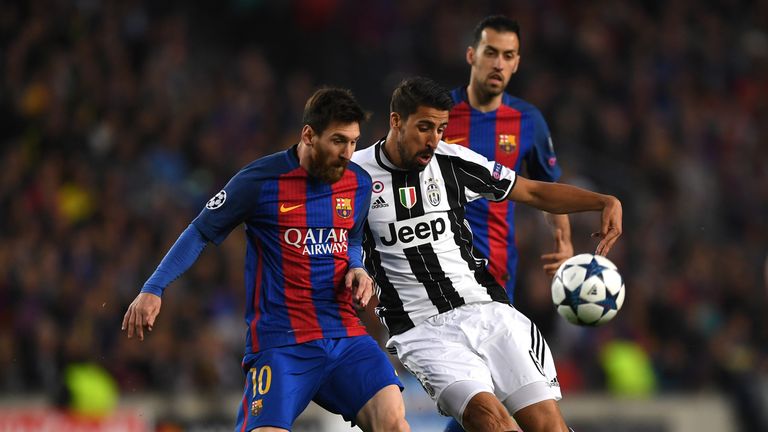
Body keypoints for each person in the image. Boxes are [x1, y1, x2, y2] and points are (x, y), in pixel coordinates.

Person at [122, 88, 410, 432]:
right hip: (282, 345)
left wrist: (358, 267)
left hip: (345, 336)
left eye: (353, 142)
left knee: (394, 423)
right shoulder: (260, 181)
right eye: (338, 141)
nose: (348, 153)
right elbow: (200, 231)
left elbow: (351, 238)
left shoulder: (358, 184)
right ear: (308, 135)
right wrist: (154, 287)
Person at [352, 77, 622, 432]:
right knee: (490, 421)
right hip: (422, 330)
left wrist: (603, 201)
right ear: (396, 121)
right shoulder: (354, 176)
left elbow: (534, 193)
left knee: (548, 426)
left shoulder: (452, 161)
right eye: (424, 127)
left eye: (441, 129)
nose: (433, 139)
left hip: (487, 311)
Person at [441, 15, 574, 432]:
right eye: (491, 53)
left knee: (483, 406)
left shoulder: (527, 121)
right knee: (481, 401)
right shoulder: (441, 116)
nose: (499, 63)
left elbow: (545, 187)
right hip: (442, 278)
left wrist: (564, 241)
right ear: (472, 56)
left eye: (508, 56)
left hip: (498, 281)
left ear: (517, 63)